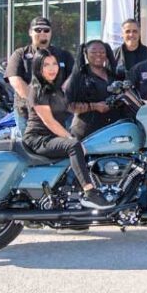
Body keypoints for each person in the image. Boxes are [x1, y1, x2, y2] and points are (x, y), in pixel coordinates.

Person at [23, 48, 112, 209]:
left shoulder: (55, 88)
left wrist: (97, 104)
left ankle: (76, 205)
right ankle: (90, 192)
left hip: (51, 136)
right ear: (38, 68)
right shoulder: (38, 89)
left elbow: (70, 108)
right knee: (73, 146)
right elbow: (49, 121)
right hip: (38, 138)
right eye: (46, 65)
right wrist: (70, 138)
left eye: (54, 64)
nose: (51, 68)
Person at [6, 17, 74, 134]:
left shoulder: (64, 55)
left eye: (46, 30)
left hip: (61, 115)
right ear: (30, 32)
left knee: (63, 148)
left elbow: (73, 77)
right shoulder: (20, 54)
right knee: (29, 150)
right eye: (38, 30)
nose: (42, 33)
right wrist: (38, 104)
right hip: (28, 115)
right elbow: (16, 80)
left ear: (51, 33)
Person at [65, 40, 121, 140]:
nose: (98, 54)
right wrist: (94, 106)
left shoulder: (114, 75)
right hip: (85, 133)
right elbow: (68, 105)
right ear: (86, 54)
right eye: (93, 52)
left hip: (110, 132)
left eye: (102, 52)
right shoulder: (79, 77)